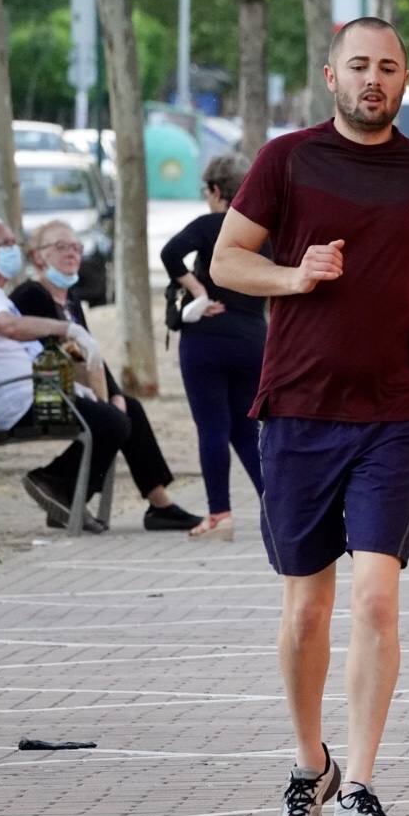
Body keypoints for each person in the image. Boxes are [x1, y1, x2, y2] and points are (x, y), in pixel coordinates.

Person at [210, 17, 409, 816]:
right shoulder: (287, 160)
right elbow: (227, 260)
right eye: (359, 65)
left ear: (403, 81)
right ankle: (308, 766)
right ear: (330, 75)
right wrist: (295, 275)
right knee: (306, 610)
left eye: (388, 68)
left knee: (375, 595)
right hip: (295, 408)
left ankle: (359, 782)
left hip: (392, 411)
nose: (374, 79)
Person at [10, 220, 202, 534]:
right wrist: (105, 398)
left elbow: (90, 353)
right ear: (37, 257)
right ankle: (54, 481)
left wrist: (113, 393)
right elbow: (61, 351)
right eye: (60, 247)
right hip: (39, 390)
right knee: (112, 420)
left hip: (66, 387)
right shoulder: (33, 294)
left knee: (129, 408)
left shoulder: (69, 300)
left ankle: (160, 504)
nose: (71, 253)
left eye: (76, 247)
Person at [0, 216, 131, 528]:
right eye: (4, 244)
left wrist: (95, 380)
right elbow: (11, 328)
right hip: (20, 401)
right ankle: (51, 482)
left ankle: (66, 494)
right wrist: (67, 329)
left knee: (117, 414)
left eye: (14, 243)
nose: (12, 250)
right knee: (112, 421)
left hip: (34, 391)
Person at [161, 153, 267, 540]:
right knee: (246, 428)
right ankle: (274, 505)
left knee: (212, 427)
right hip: (253, 338)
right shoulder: (263, 230)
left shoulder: (210, 225)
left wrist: (198, 290)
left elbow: (170, 253)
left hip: (206, 339)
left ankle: (219, 514)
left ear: (217, 190)